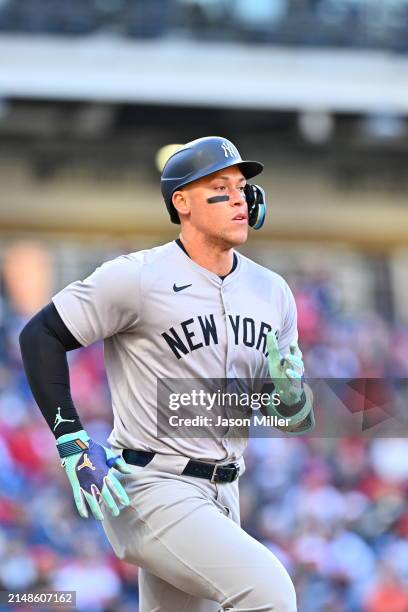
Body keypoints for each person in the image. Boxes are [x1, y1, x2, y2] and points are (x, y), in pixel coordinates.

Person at [20, 136, 314, 612]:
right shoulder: (138, 276)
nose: (240, 197)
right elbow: (40, 335)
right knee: (269, 593)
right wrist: (70, 439)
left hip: (224, 489)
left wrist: (290, 395)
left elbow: (292, 416)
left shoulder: (273, 291)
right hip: (150, 484)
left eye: (243, 187)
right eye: (221, 187)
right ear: (182, 203)